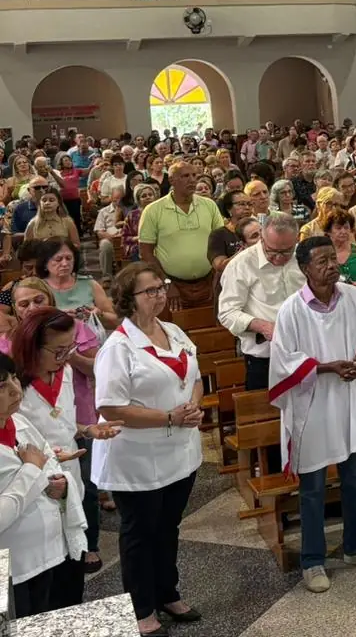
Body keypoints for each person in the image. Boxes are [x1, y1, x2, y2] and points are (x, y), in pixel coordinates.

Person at [269, 236, 356, 594]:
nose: (331, 266)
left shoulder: (353, 297)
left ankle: (355, 546)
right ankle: (312, 560)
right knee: (313, 488)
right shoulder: (292, 310)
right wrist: (324, 368)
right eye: (321, 261)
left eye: (332, 258)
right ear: (305, 269)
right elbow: (283, 363)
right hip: (313, 405)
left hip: (351, 397)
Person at [97, 262, 204, 635]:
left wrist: (193, 404)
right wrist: (169, 417)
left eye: (162, 287)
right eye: (150, 291)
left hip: (179, 451)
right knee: (140, 533)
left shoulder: (173, 331)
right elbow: (110, 406)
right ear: (130, 298)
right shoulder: (118, 347)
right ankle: (141, 606)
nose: (160, 295)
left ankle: (167, 591)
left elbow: (194, 375)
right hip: (137, 457)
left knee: (168, 527)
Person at [11, 306, 122, 581]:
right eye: (57, 351)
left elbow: (63, 424)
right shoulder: (14, 387)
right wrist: (47, 458)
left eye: (69, 349)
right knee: (45, 565)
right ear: (32, 346)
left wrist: (89, 429)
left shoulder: (66, 372)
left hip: (68, 471)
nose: (65, 357)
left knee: (73, 554)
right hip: (35, 479)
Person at [0, 351, 89, 619]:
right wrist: (31, 470)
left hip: (47, 553)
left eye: (14, 378)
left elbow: (47, 458)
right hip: (12, 568)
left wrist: (60, 483)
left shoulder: (18, 421)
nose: (16, 391)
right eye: (1, 386)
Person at [218, 214, 304, 392]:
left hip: (304, 353)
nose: (279, 258)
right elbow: (227, 313)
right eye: (272, 251)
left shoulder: (303, 256)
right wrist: (263, 327)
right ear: (262, 239)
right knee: (265, 416)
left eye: (287, 251)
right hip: (264, 359)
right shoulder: (241, 264)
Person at [138, 160, 224, 307]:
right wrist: (165, 283)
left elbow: (221, 243)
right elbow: (146, 252)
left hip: (209, 282)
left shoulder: (209, 205)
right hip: (172, 285)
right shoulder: (153, 210)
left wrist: (217, 276)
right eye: (185, 176)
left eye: (194, 175)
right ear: (172, 180)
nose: (192, 180)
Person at [38, 240, 115, 332]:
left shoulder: (89, 283)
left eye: (69, 258)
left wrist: (99, 315)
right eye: (58, 259)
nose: (65, 263)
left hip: (90, 341)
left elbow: (115, 321)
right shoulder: (39, 288)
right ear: (45, 263)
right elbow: (32, 326)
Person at [324, 209, 356, 295]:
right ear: (329, 231)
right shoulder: (323, 252)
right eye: (338, 228)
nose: (343, 231)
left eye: (346, 227)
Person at [208, 189, 253, 278]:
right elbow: (220, 266)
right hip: (230, 282)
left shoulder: (257, 230)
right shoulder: (219, 235)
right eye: (241, 204)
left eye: (249, 204)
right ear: (229, 209)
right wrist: (244, 250)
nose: (247, 207)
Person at [93, 183, 126, 283]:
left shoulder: (128, 209)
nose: (118, 201)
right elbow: (99, 232)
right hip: (110, 238)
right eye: (116, 198)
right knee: (104, 245)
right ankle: (107, 276)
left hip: (126, 238)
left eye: (121, 198)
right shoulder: (103, 212)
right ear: (111, 197)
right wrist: (112, 237)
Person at [121, 182, 159, 265]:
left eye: (150, 195)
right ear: (138, 200)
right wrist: (138, 238)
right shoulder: (132, 215)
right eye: (144, 196)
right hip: (138, 246)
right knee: (141, 249)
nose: (148, 197)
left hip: (159, 245)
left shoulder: (160, 212)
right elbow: (125, 238)